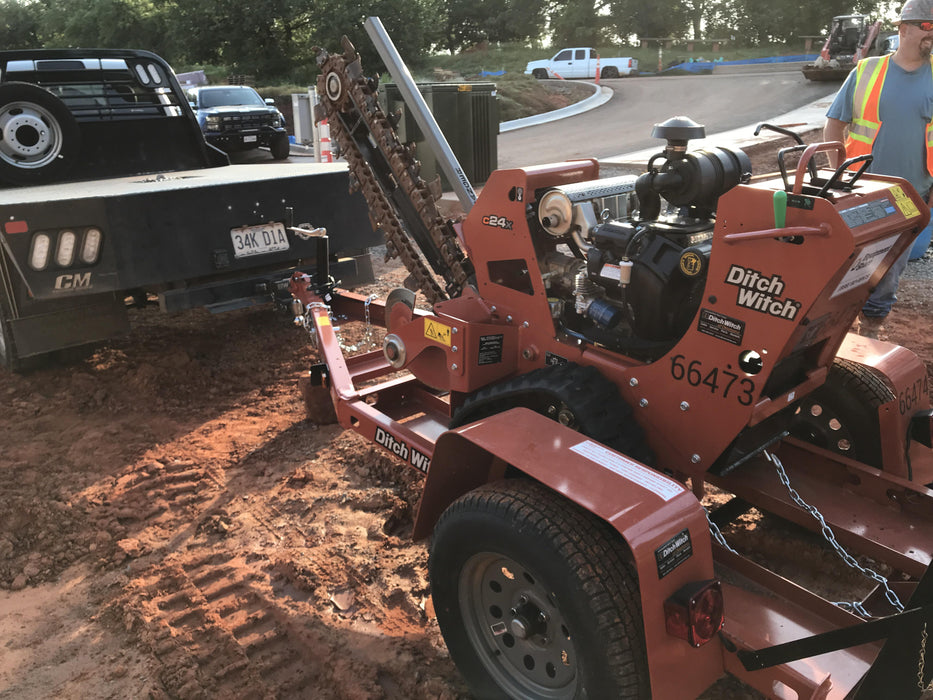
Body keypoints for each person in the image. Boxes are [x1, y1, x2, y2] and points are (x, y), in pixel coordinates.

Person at [824, 0, 933, 339]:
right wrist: (841, 178)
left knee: (891, 266)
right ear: (904, 29)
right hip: (863, 189)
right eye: (928, 27)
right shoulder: (867, 71)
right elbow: (833, 127)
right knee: (848, 265)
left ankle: (872, 327)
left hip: (913, 192)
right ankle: (836, 327)